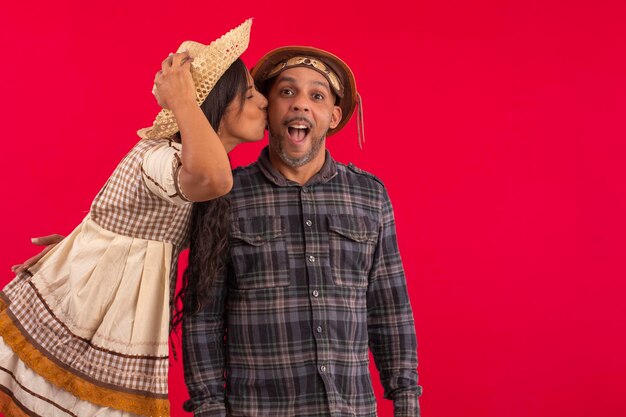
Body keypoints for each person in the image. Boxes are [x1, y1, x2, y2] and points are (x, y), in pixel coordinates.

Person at [0, 19, 268, 417]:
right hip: (92, 322)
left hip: (107, 316)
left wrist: (80, 247)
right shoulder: (162, 156)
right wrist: (183, 102)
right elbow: (213, 178)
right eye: (248, 94)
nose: (263, 101)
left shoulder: (182, 158)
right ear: (215, 103)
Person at [182, 46, 421, 417]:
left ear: (333, 116)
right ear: (267, 109)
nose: (300, 105)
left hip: (351, 409)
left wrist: (406, 401)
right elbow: (203, 317)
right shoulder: (225, 195)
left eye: (317, 95)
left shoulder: (370, 196)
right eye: (287, 92)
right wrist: (209, 407)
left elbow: (390, 309)